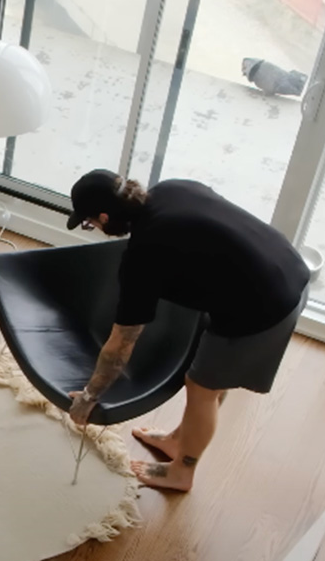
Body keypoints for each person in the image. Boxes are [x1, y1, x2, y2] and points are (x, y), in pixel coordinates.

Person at [64, 170, 309, 492]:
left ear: (106, 217)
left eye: (90, 223)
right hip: (288, 266)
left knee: (202, 387)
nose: (93, 228)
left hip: (267, 305)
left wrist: (90, 396)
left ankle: (182, 471)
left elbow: (121, 343)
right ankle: (178, 440)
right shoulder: (171, 188)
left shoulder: (144, 254)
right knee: (209, 377)